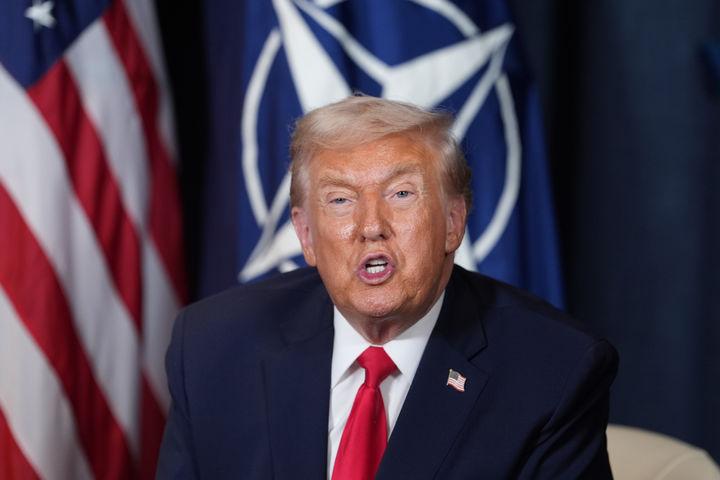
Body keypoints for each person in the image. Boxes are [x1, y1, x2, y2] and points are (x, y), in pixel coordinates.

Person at [156, 95, 619, 479]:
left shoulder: (553, 371)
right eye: (340, 200)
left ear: (453, 221)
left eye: (401, 194)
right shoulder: (213, 347)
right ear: (306, 235)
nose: (371, 226)